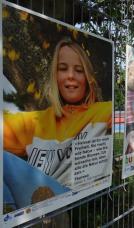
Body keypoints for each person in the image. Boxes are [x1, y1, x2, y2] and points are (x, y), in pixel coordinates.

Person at [3, 38, 112, 210]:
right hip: (35, 199)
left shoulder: (103, 111)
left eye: (79, 70)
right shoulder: (37, 121)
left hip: (71, 197)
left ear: (88, 78)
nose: (70, 75)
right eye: (63, 69)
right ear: (55, 75)